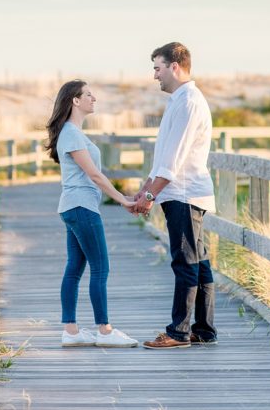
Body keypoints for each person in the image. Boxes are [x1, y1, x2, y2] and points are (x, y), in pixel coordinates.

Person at [134, 42, 217, 349]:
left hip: (183, 193)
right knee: (199, 261)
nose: (154, 75)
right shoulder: (179, 101)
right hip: (182, 192)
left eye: (157, 68)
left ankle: (179, 332)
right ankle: (204, 329)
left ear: (174, 67)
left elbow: (175, 159)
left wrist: (149, 197)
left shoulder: (188, 102)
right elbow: (164, 157)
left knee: (186, 261)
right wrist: (146, 188)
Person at [45, 79, 139, 348]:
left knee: (74, 268)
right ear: (75, 100)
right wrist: (123, 199)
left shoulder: (71, 132)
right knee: (100, 268)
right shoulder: (72, 134)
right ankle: (105, 331)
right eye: (88, 94)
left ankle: (71, 332)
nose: (94, 98)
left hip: (73, 206)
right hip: (82, 206)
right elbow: (95, 175)